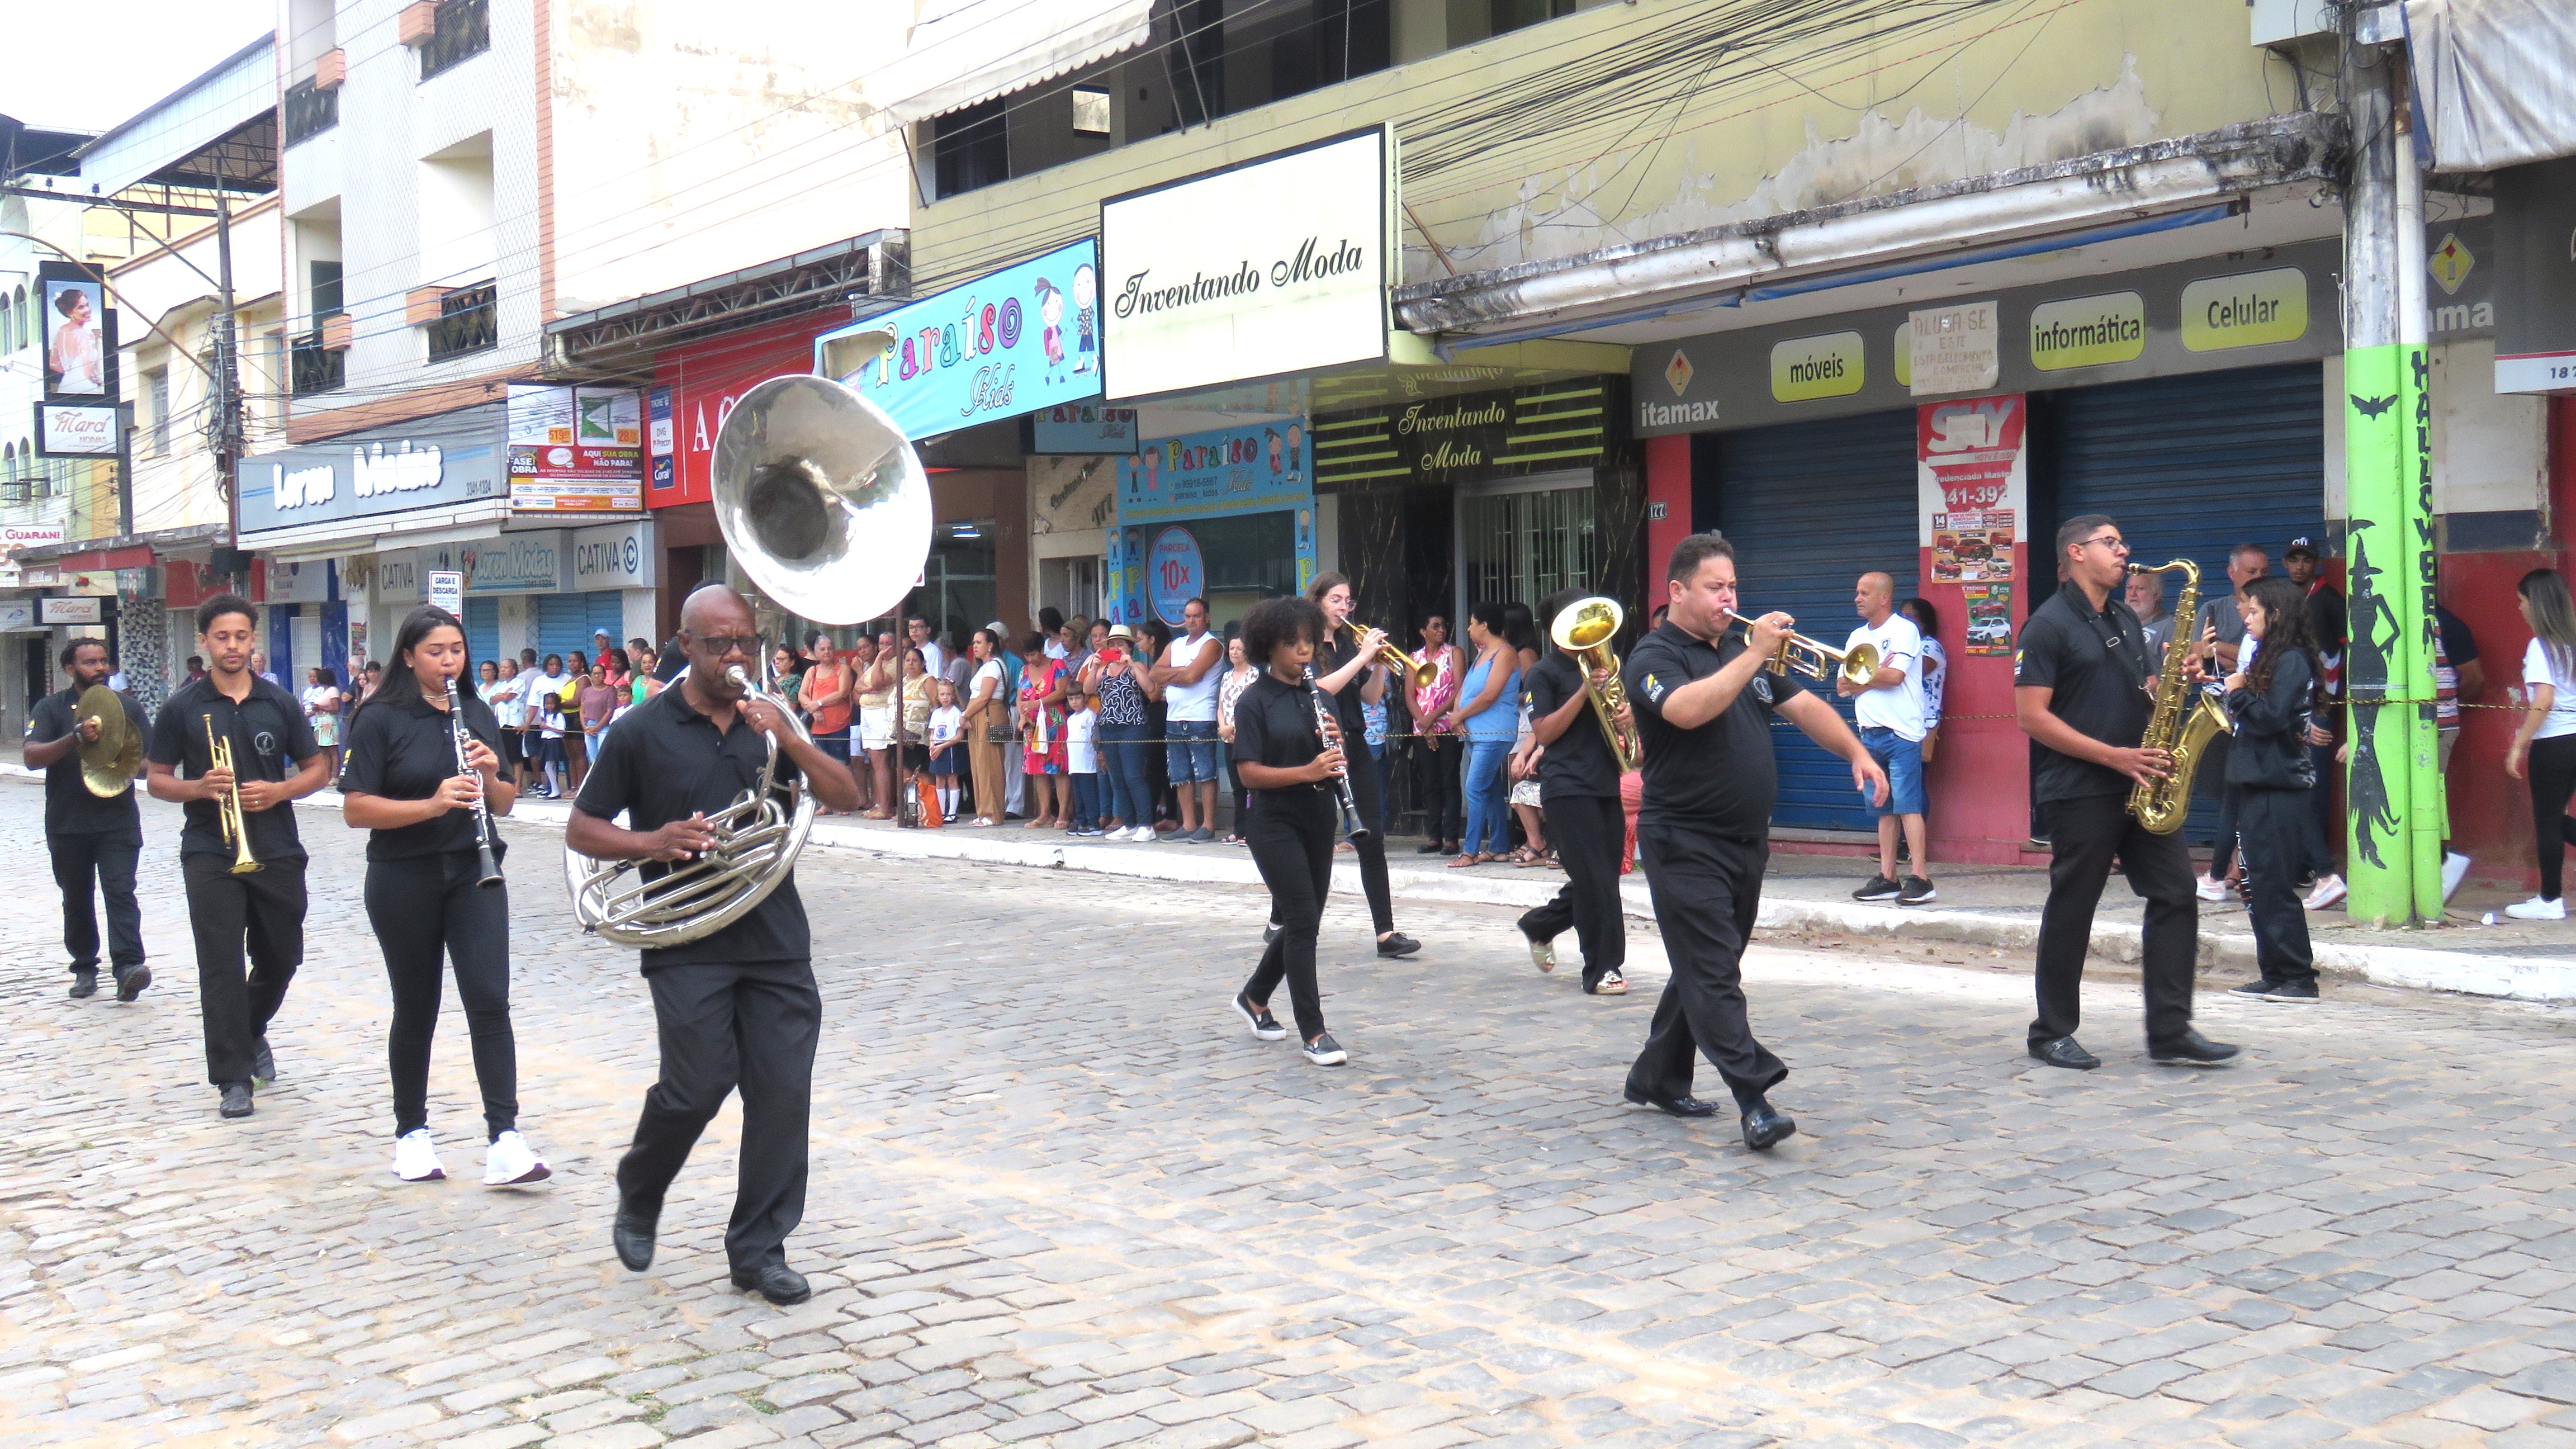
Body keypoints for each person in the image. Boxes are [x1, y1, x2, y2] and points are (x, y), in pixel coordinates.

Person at [567, 584, 862, 1306]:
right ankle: (642, 1185)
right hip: (688, 937)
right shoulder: (640, 729)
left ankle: (758, 1251)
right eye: (719, 644)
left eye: (745, 643)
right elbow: (582, 827)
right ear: (687, 644)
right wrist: (652, 841)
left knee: (782, 1095)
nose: (735, 656)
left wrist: (790, 738)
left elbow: (848, 795)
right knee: (696, 1085)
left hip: (774, 939)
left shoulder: (772, 724)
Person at [1620, 535, 1889, 1149]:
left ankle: (1657, 1075)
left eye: (1733, 587)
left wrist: (1856, 751)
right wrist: (1753, 654)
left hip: (1744, 840)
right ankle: (1755, 1099)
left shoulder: (1746, 651)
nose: (1729, 598)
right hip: (1683, 837)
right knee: (1713, 970)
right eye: (1716, 587)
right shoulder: (1653, 657)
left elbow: (1804, 707)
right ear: (1678, 591)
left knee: (1707, 965)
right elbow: (1688, 710)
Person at [2016, 515, 2238, 1068]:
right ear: (2076, 553)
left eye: (2122, 543)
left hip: (2142, 777)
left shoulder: (2119, 614)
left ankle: (2170, 1029)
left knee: (2175, 893)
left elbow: (2146, 691)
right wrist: (2113, 755)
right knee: (2074, 906)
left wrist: (2175, 678)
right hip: (2081, 786)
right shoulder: (2045, 625)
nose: (2124, 552)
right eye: (2110, 544)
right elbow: (2031, 718)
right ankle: (2051, 1031)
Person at [339, 605, 550, 1185]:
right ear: (409, 656)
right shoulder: (379, 718)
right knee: (417, 1005)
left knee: (489, 999)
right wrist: (430, 805)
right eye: (436, 652)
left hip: (473, 871)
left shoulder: (476, 712)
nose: (449, 662)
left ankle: (504, 1138)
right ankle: (411, 1134)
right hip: (402, 875)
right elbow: (357, 808)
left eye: (456, 650)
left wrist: (486, 772)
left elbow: (505, 802)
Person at [145, 594, 332, 1119]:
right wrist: (198, 788)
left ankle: (249, 1030)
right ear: (203, 642)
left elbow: (319, 769)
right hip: (210, 848)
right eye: (221, 637)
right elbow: (156, 779)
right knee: (220, 966)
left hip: (275, 845)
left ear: (254, 639)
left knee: (282, 956)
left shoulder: (279, 702)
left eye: (241, 637)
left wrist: (280, 792)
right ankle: (232, 1079)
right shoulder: (182, 708)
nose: (232, 646)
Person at [1228, 596, 1357, 1067]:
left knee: (1306, 919)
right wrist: (1309, 770)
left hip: (1317, 817)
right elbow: (1249, 774)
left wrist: (1335, 748)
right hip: (1274, 822)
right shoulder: (1253, 702)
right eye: (1291, 643)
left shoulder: (1318, 696)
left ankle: (1254, 997)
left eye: (1307, 641)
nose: (1303, 651)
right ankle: (1315, 1032)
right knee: (1302, 920)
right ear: (1269, 647)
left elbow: (1331, 758)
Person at [1516, 590, 1631, 996]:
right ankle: (1602, 968)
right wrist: (1584, 692)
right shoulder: (1543, 673)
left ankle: (1541, 923)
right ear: (1556, 629)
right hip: (1566, 787)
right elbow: (1544, 731)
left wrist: (1625, 713)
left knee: (1600, 878)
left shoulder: (1605, 665)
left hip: (1604, 781)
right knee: (1595, 880)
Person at [26, 638, 151, 1001]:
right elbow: (33, 756)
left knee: (120, 892)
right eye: (89, 662)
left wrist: (123, 760)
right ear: (70, 669)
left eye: (103, 661)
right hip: (68, 822)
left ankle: (128, 967)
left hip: (118, 820)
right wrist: (75, 738)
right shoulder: (50, 708)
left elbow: (154, 764)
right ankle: (83, 966)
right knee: (76, 898)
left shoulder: (128, 708)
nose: (99, 669)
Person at [2217, 577, 2322, 1002]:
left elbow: (2273, 716)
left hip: (2280, 783)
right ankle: (2274, 972)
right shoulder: (2270, 657)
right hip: (2258, 779)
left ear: (2276, 615)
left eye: (2255, 610)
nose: (2247, 616)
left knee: (2275, 884)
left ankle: (2298, 977)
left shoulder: (2292, 660)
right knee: (2257, 884)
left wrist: (2239, 694)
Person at [1305, 574, 1420, 957]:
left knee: (1372, 837)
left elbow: (1370, 699)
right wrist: (1361, 658)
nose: (1343, 608)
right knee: (1313, 837)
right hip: (1318, 744)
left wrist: (1381, 664)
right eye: (1336, 600)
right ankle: (1283, 920)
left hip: (1354, 740)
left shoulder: (1346, 644)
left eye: (1348, 601)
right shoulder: (1305, 643)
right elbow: (1322, 690)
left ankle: (1385, 934)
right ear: (1318, 601)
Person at [1843, 572, 1935, 905]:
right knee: (1883, 808)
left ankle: (1921, 878)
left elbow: (1895, 677)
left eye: (1864, 593)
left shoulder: (1904, 630)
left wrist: (1863, 677)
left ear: (1884, 598)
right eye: (1857, 592)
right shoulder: (1856, 636)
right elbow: (1842, 685)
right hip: (1869, 734)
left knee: (1909, 806)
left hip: (1902, 732)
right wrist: (1871, 675)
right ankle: (1888, 877)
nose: (1857, 598)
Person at [2283, 537, 2350, 910]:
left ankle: (2315, 865)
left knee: (2314, 783)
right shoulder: (2285, 598)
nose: (2299, 567)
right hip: (2293, 699)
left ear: (2316, 563)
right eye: (2293, 560)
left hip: (2322, 702)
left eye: (2305, 560)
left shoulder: (2330, 600)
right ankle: (2299, 863)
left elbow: (2348, 649)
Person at [2506, 568, 2576, 920]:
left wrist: (2519, 743)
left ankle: (2550, 899)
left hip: (2554, 742)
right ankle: (2549, 898)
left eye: (2522, 601)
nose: (2519, 608)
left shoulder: (2540, 645)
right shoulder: (2572, 642)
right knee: (2555, 818)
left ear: (2537, 604)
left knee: (2548, 821)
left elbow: (2543, 700)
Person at [1441, 602, 1520, 868]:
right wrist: (1457, 714)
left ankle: (1471, 851)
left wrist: (1460, 716)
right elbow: (1465, 688)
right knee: (1491, 790)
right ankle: (1498, 846)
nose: (1469, 628)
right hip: (1476, 732)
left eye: (1472, 623)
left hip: (1495, 732)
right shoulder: (1484, 653)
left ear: (1485, 625)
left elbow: (1490, 695)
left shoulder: (1505, 653)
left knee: (1474, 788)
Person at [1150, 597, 1225, 842]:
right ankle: (1190, 824)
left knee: (1206, 773)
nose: (1191, 621)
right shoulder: (1176, 644)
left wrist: (1174, 674)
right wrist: (1182, 672)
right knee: (1181, 774)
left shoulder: (1212, 644)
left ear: (1207, 618)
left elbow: (1193, 676)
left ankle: (1209, 825)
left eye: (1196, 616)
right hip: (1174, 717)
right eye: (1188, 616)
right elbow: (1154, 673)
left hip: (1200, 716)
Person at [1405, 614, 1467, 854]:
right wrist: (1424, 723)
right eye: (1435, 626)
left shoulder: (1454, 653)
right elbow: (1410, 695)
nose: (1442, 630)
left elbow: (1459, 690)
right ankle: (1434, 836)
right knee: (1430, 782)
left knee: (1449, 779)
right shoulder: (1415, 658)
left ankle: (1451, 838)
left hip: (1448, 726)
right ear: (1423, 631)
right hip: (1423, 729)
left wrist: (1433, 717)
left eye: (1444, 625)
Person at [2433, 602, 2482, 901]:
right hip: (2403, 728)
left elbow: (2474, 679)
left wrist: (2448, 705)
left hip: (2439, 726)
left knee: (2430, 798)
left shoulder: (2450, 625)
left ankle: (2442, 864)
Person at [1088, 625, 1156, 839]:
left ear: (1129, 647)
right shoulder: (1103, 670)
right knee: (1117, 778)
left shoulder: (1137, 667)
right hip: (1109, 728)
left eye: (1121, 644)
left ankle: (1146, 824)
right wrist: (1094, 666)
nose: (1116, 648)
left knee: (1134, 776)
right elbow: (1087, 689)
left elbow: (1150, 689)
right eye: (1113, 644)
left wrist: (1131, 664)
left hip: (1132, 727)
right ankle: (1129, 823)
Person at [1016, 632, 1069, 828]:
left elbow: (1061, 692)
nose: (1031, 659)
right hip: (1032, 724)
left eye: (1033, 655)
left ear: (1042, 650)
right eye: (1027, 656)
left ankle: (1062, 813)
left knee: (1058, 768)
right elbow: (1020, 697)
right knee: (1038, 770)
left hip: (1053, 721)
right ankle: (1044, 813)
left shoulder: (1058, 666)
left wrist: (1037, 703)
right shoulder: (1024, 671)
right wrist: (1023, 716)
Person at [797, 634, 854, 809]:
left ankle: (844, 803)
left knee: (841, 764)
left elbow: (842, 692)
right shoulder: (811, 671)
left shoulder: (842, 669)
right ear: (816, 652)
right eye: (822, 649)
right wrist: (813, 710)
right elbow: (802, 695)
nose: (827, 652)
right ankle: (826, 804)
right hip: (817, 726)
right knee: (821, 767)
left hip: (839, 723)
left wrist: (818, 704)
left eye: (830, 648)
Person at [962, 628, 1010, 827]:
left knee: (990, 765)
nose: (975, 646)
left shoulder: (994, 666)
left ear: (990, 645)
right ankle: (982, 811)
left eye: (980, 642)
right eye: (974, 642)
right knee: (978, 765)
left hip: (988, 715)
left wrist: (964, 714)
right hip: (978, 717)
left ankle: (993, 813)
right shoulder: (982, 667)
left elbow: (984, 696)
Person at [1215, 634, 1257, 844]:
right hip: (1228, 739)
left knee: (1251, 785)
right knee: (1237, 788)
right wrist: (1223, 727)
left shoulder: (1255, 676)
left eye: (1238, 649)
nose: (1234, 653)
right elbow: (1221, 706)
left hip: (1247, 736)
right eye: (1231, 649)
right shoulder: (1226, 677)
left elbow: (1253, 709)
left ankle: (1252, 829)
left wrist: (1233, 727)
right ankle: (1238, 830)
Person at [530, 654, 571, 797]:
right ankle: (552, 789)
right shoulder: (539, 681)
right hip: (547, 740)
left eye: (557, 665)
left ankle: (560, 789)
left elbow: (562, 731)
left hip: (555, 740)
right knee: (549, 765)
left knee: (554, 764)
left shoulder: (566, 679)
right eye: (551, 664)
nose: (555, 668)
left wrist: (549, 728)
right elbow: (533, 704)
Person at [925, 676, 964, 825]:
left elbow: (959, 735)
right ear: (938, 696)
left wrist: (941, 747)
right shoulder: (936, 713)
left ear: (953, 696)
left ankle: (952, 813)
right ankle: (940, 812)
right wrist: (932, 746)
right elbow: (932, 733)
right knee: (939, 780)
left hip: (950, 748)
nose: (945, 697)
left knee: (952, 779)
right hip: (937, 748)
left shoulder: (956, 713)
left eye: (948, 694)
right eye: (942, 694)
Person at [1065, 687, 1102, 836]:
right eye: (1071, 699)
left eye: (1078, 698)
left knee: (1089, 795)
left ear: (1085, 698)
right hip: (1075, 764)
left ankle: (1093, 823)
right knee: (1078, 795)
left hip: (1088, 764)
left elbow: (1094, 738)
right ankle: (1081, 821)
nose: (1075, 702)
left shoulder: (1090, 716)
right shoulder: (1071, 719)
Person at [303, 666, 344, 780]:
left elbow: (336, 708)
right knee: (323, 750)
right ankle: (327, 775)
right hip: (320, 722)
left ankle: (334, 776)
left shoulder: (333, 691)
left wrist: (321, 707)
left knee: (332, 750)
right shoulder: (323, 691)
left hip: (329, 723)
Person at [2126, 569, 2175, 659]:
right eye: (2129, 588)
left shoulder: (2169, 627)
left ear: (2156, 595)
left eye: (2140, 589)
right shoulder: (2118, 622)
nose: (2133, 594)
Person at [910, 615, 946, 680]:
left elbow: (935, 679)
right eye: (911, 627)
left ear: (928, 630)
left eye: (919, 627)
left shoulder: (933, 651)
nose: (914, 631)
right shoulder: (913, 651)